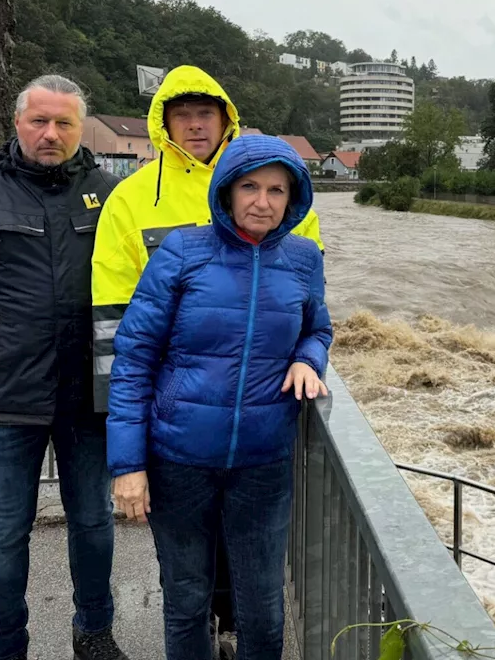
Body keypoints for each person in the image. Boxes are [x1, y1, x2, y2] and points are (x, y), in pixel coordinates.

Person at [89, 66, 324, 649]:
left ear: (294, 198)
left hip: (262, 462)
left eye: (277, 190)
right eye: (250, 187)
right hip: (179, 461)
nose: (263, 202)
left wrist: (308, 358)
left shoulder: (301, 259)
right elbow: (133, 357)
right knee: (187, 602)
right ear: (227, 191)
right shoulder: (180, 252)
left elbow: (318, 326)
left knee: (264, 609)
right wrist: (128, 464)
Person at [0, 76, 128, 660]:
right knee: (5, 535)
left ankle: (94, 631)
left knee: (93, 523)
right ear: (17, 123)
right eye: (39, 121)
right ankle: (5, 645)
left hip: (88, 397)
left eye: (64, 123)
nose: (50, 134)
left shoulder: (109, 196)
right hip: (5, 402)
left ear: (79, 128)